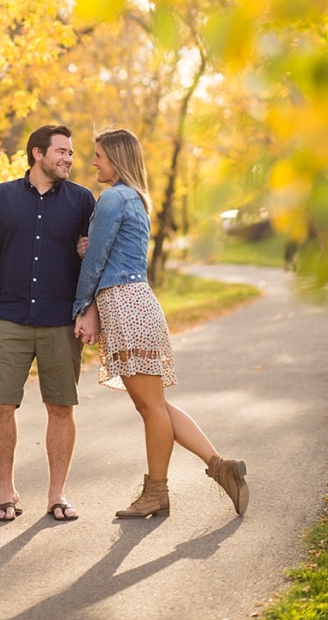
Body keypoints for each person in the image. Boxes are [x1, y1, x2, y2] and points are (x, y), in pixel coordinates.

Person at [73, 127, 249, 519]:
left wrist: (80, 307)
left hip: (124, 306)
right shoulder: (134, 198)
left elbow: (96, 262)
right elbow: (108, 251)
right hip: (139, 303)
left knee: (151, 407)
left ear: (115, 158)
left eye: (98, 155)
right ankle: (220, 468)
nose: (93, 162)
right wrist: (89, 248)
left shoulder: (112, 197)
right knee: (155, 405)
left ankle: (157, 492)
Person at [0, 124, 95, 523]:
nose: (69, 159)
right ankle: (6, 493)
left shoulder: (82, 200)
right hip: (8, 320)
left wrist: (87, 307)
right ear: (37, 153)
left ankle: (56, 495)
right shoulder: (1, 197)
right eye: (61, 152)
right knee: (1, 407)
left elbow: (93, 262)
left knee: (61, 407)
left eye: (72, 153)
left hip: (61, 321)